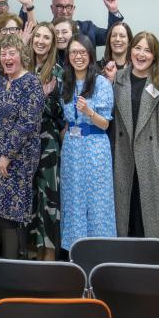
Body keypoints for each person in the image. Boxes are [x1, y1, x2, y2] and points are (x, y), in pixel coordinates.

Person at [0, 34, 45, 259]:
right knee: (1, 208)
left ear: (22, 56)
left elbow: (27, 123)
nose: (7, 57)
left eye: (12, 53)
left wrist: (7, 155)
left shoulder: (31, 83)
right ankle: (10, 261)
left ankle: (14, 263)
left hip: (17, 157)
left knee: (12, 209)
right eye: (3, 53)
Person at [111, 32, 159, 250]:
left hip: (153, 159)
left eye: (147, 50)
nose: (141, 54)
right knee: (129, 218)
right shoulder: (118, 78)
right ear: (130, 50)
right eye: (137, 48)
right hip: (125, 160)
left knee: (152, 224)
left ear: (154, 56)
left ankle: (156, 267)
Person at [58, 35, 115, 254]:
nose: (78, 56)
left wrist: (89, 112)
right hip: (72, 148)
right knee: (73, 200)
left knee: (98, 202)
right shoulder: (67, 81)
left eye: (82, 52)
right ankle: (76, 253)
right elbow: (67, 120)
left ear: (90, 54)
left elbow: (105, 125)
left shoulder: (101, 82)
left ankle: (101, 253)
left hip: (95, 148)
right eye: (73, 52)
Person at [27, 22, 63, 257]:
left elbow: (61, 113)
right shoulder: (22, 68)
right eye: (37, 36)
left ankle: (49, 252)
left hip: (48, 140)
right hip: (24, 142)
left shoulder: (58, 71)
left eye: (46, 38)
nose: (40, 41)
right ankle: (32, 250)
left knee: (48, 196)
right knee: (29, 196)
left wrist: (45, 98)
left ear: (52, 44)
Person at [21, 0, 125, 47]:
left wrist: (113, 10)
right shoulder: (45, 31)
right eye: (59, 7)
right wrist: (27, 5)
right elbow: (28, 30)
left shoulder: (88, 28)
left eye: (68, 7)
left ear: (73, 8)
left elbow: (110, 37)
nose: (65, 11)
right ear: (52, 8)